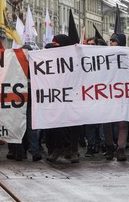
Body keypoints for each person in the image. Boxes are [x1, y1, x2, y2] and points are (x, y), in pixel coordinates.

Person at [45, 34, 83, 164]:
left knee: (73, 125)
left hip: (73, 96)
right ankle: (59, 148)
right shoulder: (50, 59)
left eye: (57, 45)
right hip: (57, 96)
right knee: (56, 124)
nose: (55, 47)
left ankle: (73, 150)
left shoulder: (75, 59)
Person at [103, 33, 129, 161]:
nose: (111, 42)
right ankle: (109, 146)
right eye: (111, 40)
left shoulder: (128, 57)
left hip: (122, 94)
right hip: (107, 93)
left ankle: (120, 148)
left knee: (123, 123)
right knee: (107, 122)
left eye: (114, 41)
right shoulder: (104, 56)